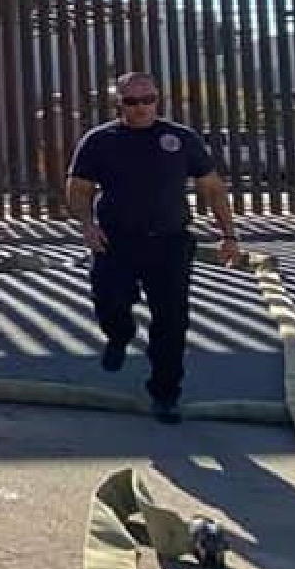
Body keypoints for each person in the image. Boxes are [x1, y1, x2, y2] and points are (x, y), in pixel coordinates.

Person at [65, 72, 240, 424]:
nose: (141, 108)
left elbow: (212, 188)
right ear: (119, 105)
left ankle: (165, 393)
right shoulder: (100, 141)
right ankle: (120, 334)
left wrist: (229, 235)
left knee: (171, 320)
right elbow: (78, 187)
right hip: (116, 241)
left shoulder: (180, 138)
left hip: (170, 242)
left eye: (148, 100)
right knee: (109, 299)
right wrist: (87, 225)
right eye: (132, 102)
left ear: (157, 99)